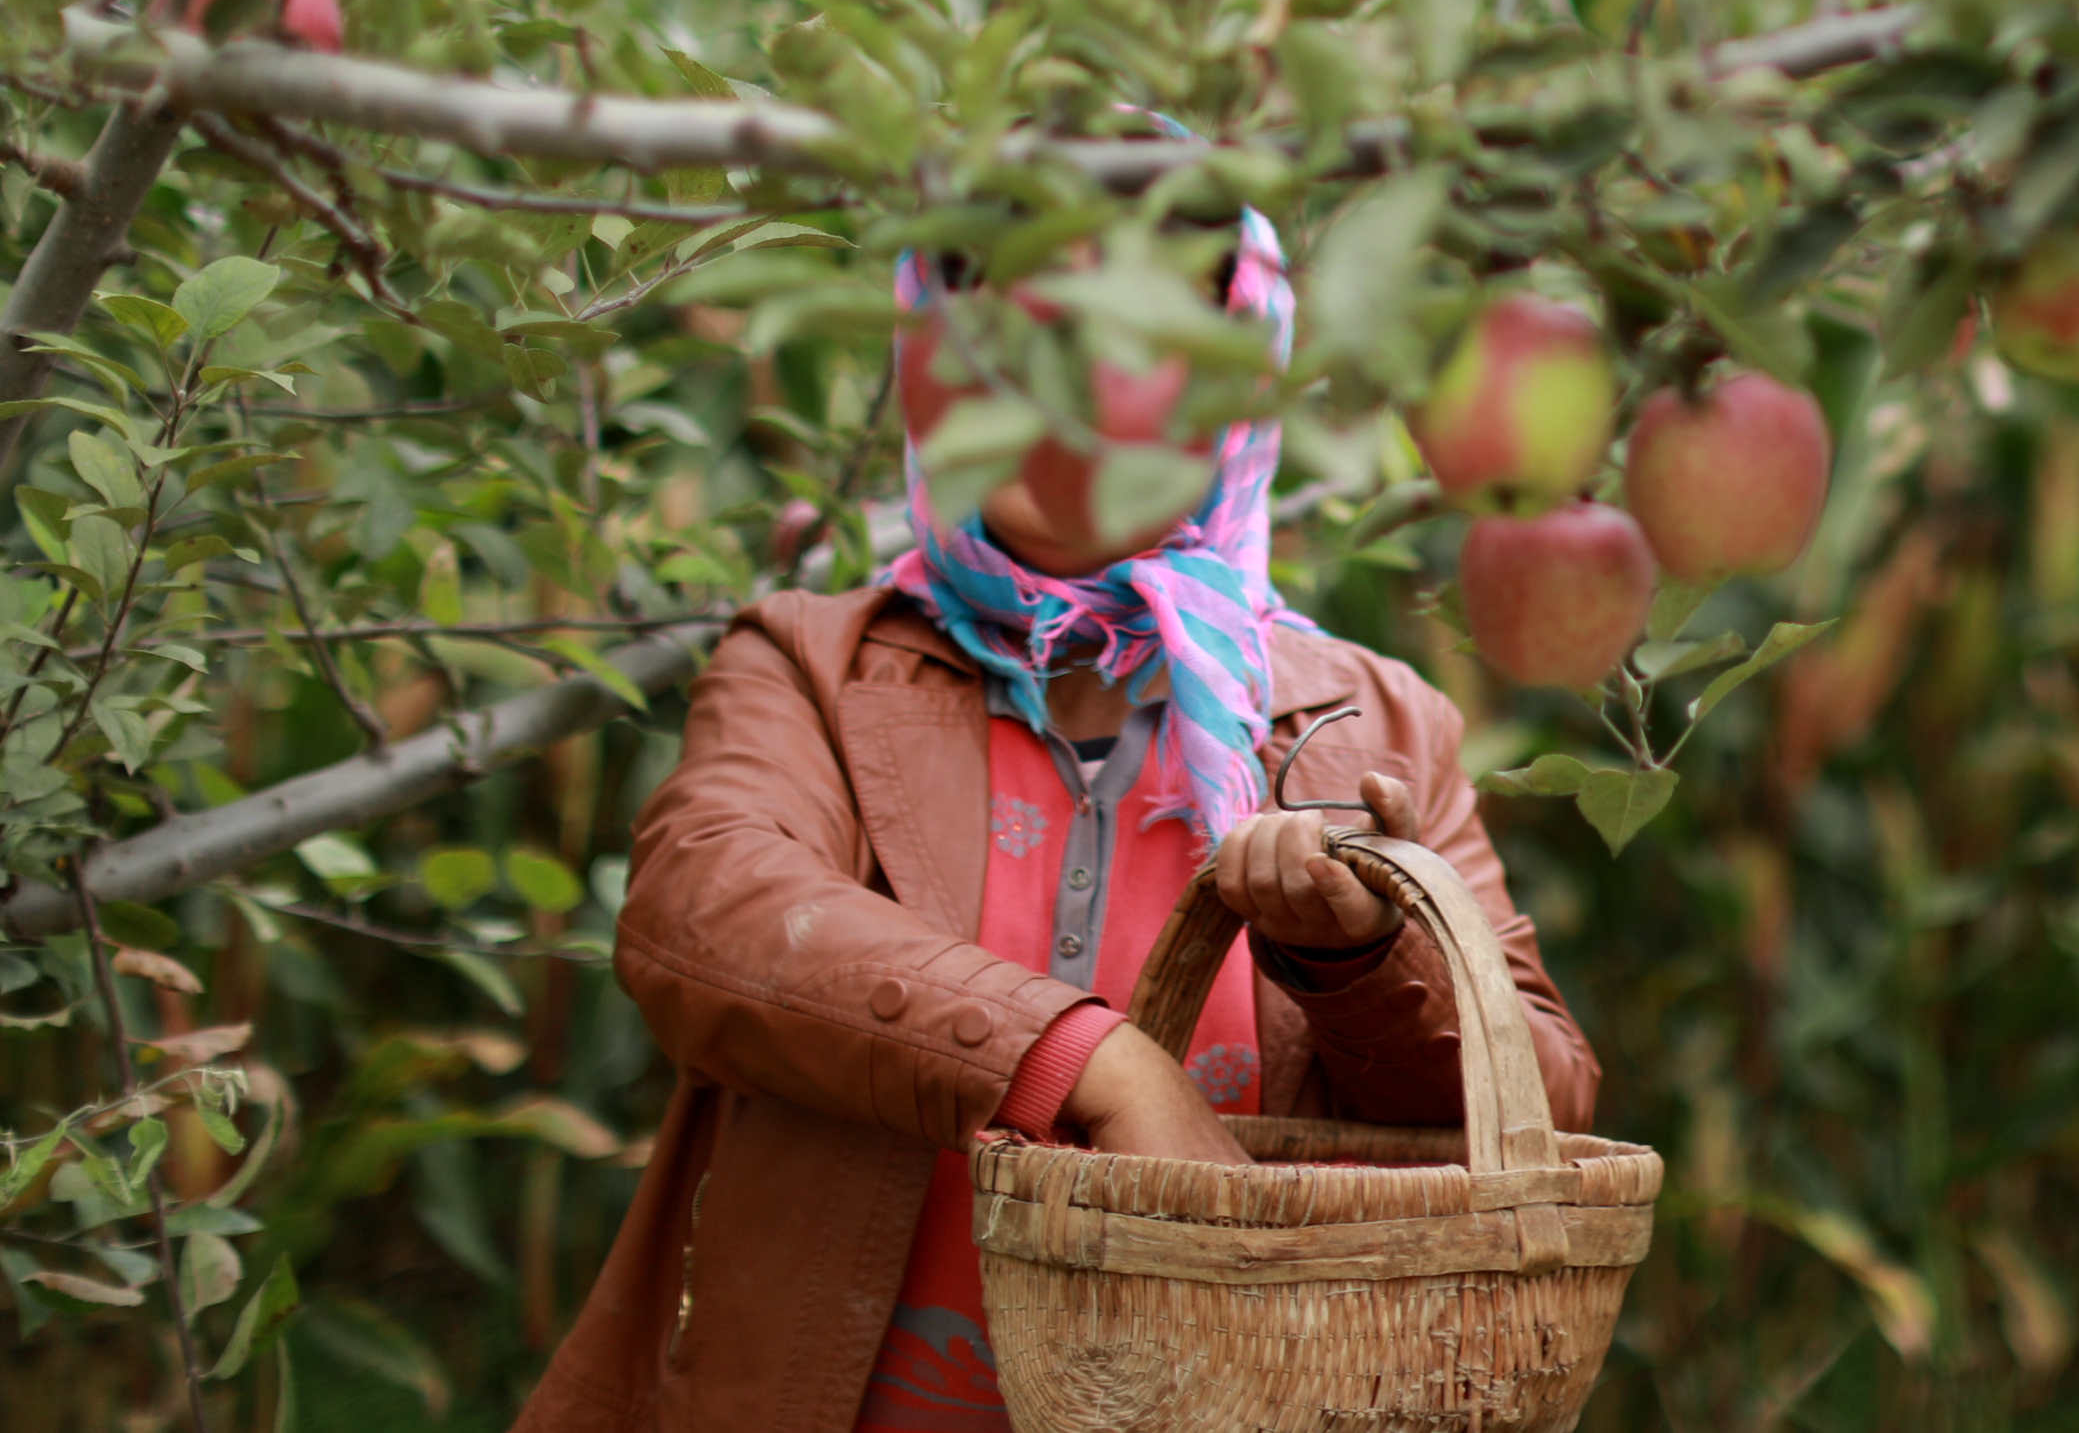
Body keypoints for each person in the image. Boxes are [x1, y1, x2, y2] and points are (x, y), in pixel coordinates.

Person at [517, 209, 1595, 1433]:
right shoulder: (811, 665)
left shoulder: (1377, 722)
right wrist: (1088, 1061)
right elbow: (702, 910)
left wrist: (1359, 958)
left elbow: (1543, 1093)